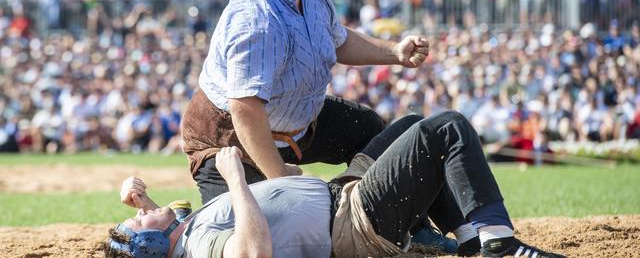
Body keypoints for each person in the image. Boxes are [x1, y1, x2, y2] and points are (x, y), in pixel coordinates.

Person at [182, 0, 430, 203]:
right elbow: (245, 109)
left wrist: (394, 52)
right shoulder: (255, 20)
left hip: (299, 125)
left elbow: (339, 40)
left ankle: (407, 224)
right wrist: (281, 179)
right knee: (250, 232)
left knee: (367, 129)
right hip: (231, 140)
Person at [106, 111, 565, 258]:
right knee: (445, 130)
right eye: (138, 219)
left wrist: (144, 198)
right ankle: (498, 243)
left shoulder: (185, 234)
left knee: (408, 124)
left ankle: (470, 241)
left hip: (342, 194)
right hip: (352, 223)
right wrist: (234, 180)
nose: (139, 210)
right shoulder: (204, 247)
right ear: (148, 242)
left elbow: (180, 219)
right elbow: (253, 251)